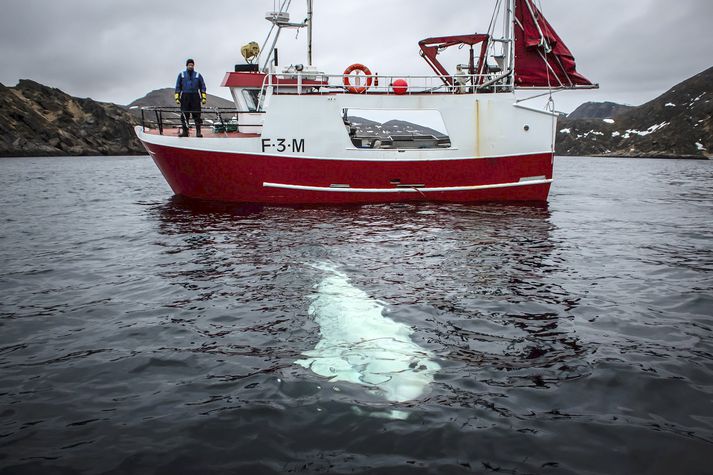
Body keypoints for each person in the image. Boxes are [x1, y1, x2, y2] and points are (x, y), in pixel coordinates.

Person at [175, 59, 207, 137]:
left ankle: (198, 132)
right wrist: (177, 97)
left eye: (192, 65)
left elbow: (202, 86)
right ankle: (185, 132)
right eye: (189, 65)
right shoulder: (181, 75)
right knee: (184, 115)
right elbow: (178, 86)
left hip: (195, 96)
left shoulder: (198, 75)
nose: (191, 66)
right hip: (185, 96)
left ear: (194, 66)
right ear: (186, 65)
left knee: (197, 115)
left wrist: (203, 98)